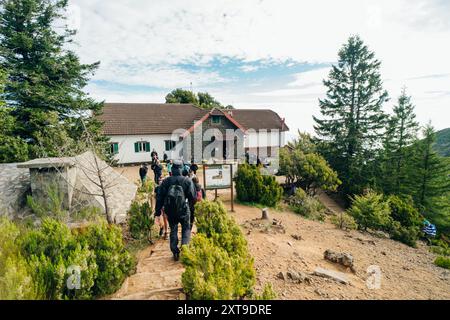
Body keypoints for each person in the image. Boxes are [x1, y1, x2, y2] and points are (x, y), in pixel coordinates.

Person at [155, 160, 196, 261]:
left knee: (173, 229)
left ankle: (175, 251)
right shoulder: (187, 181)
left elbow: (159, 197)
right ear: (181, 169)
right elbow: (192, 197)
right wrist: (190, 208)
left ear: (172, 169)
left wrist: (158, 212)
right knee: (186, 229)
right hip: (184, 210)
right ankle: (185, 249)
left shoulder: (166, 181)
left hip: (170, 211)